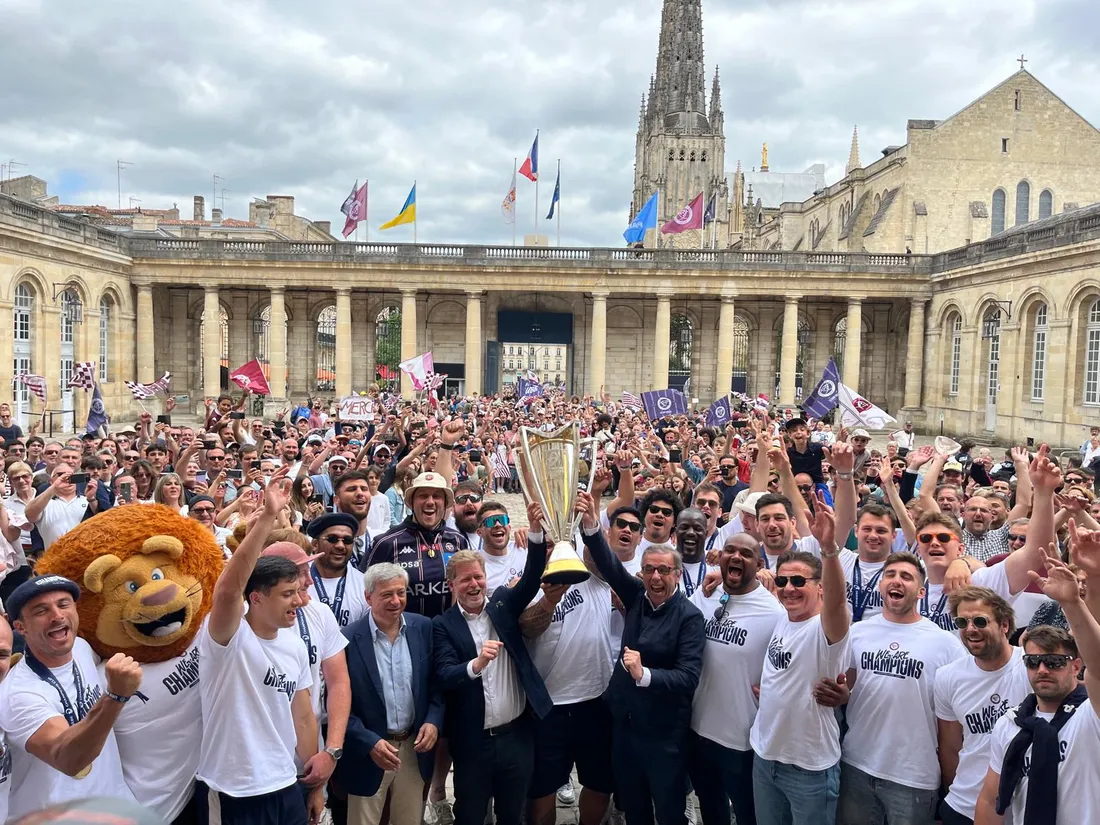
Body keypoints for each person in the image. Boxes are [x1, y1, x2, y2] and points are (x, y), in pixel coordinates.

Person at [195, 479, 324, 825]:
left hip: (285, 783)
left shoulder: (294, 645)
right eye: (287, 594)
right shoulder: (226, 638)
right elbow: (227, 589)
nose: (299, 600)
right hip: (234, 789)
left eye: (297, 590)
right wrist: (267, 517)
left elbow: (303, 717)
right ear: (256, 597)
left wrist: (315, 785)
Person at [578, 490, 705, 825]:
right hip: (626, 728)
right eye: (649, 569)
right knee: (633, 807)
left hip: (664, 734)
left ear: (677, 575)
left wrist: (643, 674)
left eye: (664, 571)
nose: (656, 577)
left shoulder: (689, 616)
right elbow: (608, 563)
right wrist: (592, 525)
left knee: (667, 810)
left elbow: (688, 677)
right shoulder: (636, 596)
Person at [432, 501, 550, 825]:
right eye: (465, 579)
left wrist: (536, 533)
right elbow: (444, 674)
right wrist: (476, 663)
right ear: (451, 585)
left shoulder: (501, 603)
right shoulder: (442, 625)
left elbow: (530, 580)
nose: (474, 585)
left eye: (478, 577)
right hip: (473, 744)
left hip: (516, 738)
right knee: (470, 816)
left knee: (513, 815)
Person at [975, 542, 1100, 825]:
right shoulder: (1011, 722)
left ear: (1075, 666)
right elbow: (989, 797)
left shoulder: (1091, 713)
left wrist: (1076, 599)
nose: (1042, 669)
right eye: (1032, 662)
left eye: (1054, 662)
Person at [837, 552, 966, 825]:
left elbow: (954, 722)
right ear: (881, 585)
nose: (896, 581)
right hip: (856, 764)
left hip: (914, 775)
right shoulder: (857, 633)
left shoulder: (946, 644)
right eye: (890, 575)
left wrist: (950, 784)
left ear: (921, 591)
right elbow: (845, 691)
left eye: (906, 577)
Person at [0, 574, 141, 820]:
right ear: (20, 627)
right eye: (41, 611)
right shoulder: (18, 693)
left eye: (64, 604)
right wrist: (115, 696)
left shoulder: (82, 648)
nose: (57, 615)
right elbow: (67, 758)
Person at [748, 494, 850, 825]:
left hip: (808, 768)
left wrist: (829, 548)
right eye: (782, 581)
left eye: (798, 581)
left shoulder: (826, 629)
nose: (788, 588)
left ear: (820, 588)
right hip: (765, 756)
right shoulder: (782, 617)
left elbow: (836, 604)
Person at [688, 533, 784, 825]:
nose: (736, 556)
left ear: (759, 563)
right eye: (730, 550)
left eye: (746, 553)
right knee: (711, 807)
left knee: (747, 813)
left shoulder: (773, 612)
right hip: (697, 729)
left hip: (741, 740)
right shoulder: (705, 595)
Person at [340, 562, 442, 825]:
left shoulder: (423, 628)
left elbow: (436, 686)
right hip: (371, 752)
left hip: (413, 749)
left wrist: (433, 720)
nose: (396, 601)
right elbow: (339, 707)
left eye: (401, 592)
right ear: (368, 597)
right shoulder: (347, 639)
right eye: (387, 594)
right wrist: (368, 742)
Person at [933, 587, 1029, 825]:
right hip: (964, 805)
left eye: (979, 621)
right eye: (962, 622)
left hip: (1021, 809)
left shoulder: (1032, 667)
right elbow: (950, 747)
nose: (970, 629)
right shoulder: (947, 676)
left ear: (1004, 625)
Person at [365, 472, 469, 619]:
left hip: (448, 635)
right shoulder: (386, 543)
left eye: (437, 496)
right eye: (423, 496)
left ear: (446, 504)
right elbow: (365, 591)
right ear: (410, 502)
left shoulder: (458, 540)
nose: (430, 502)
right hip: (404, 636)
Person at [307, 513, 369, 628]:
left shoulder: (365, 585)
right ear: (315, 544)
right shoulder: (297, 581)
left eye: (347, 540)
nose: (340, 546)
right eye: (332, 539)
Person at [23, 463, 97, 548]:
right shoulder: (44, 503)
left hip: (84, 556)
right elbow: (29, 515)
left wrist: (91, 498)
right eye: (61, 475)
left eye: (70, 475)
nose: (66, 477)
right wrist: (55, 487)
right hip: (54, 557)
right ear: (51, 481)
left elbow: (101, 519)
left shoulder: (87, 499)